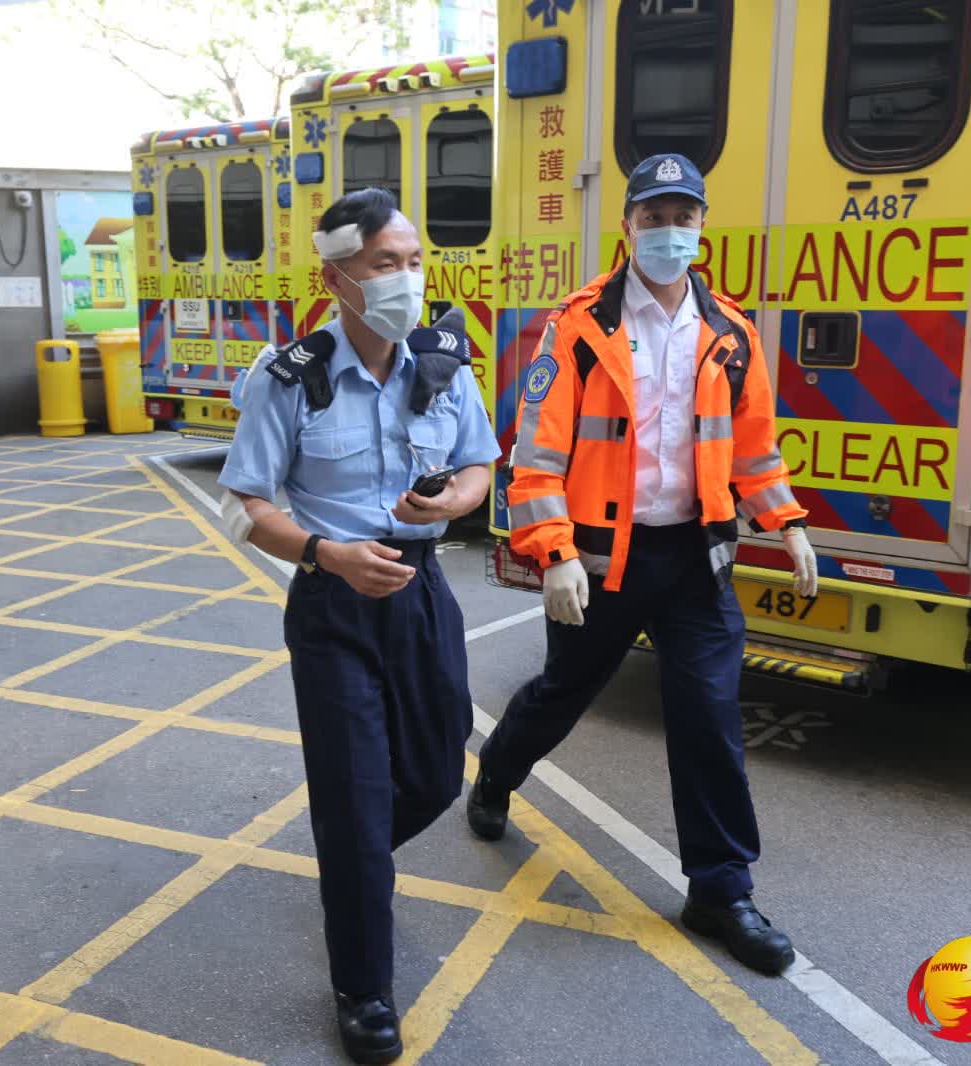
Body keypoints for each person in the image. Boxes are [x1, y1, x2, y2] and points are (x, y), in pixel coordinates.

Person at [466, 154, 817, 975]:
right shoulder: (579, 327)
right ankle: (496, 774)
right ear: (627, 226)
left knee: (709, 717)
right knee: (562, 694)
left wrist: (787, 523)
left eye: (682, 218)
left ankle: (720, 890)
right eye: (653, 218)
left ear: (702, 227)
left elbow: (754, 449)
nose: (668, 232)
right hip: (600, 561)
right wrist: (554, 553)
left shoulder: (729, 332)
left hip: (695, 557)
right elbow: (537, 456)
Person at [217, 187, 500, 1064]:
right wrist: (326, 554)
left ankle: (356, 863)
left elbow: (479, 466)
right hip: (333, 600)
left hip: (421, 593)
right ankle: (364, 987)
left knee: (437, 774)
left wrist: (451, 501)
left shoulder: (443, 364)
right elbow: (247, 506)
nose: (405, 280)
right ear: (336, 278)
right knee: (352, 795)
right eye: (384, 264)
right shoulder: (288, 376)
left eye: (413, 262)